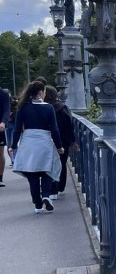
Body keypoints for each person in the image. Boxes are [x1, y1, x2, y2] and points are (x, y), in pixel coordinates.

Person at [10, 79, 63, 213]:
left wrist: (13, 145)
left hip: (28, 142)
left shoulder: (22, 107)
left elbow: (17, 129)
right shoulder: (49, 108)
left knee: (31, 173)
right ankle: (46, 195)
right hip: (44, 141)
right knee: (47, 169)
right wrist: (59, 146)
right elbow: (55, 129)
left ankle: (37, 205)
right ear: (40, 92)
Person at [44, 85, 76, 197]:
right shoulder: (63, 107)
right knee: (62, 162)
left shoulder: (44, 108)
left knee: (48, 163)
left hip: (47, 139)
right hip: (63, 139)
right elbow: (69, 124)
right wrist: (72, 140)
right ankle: (60, 185)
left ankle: (51, 187)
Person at [0, 85, 10, 187]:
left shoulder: (3, 94)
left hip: (0, 127)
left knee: (0, 152)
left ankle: (0, 177)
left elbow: (6, 110)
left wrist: (3, 122)